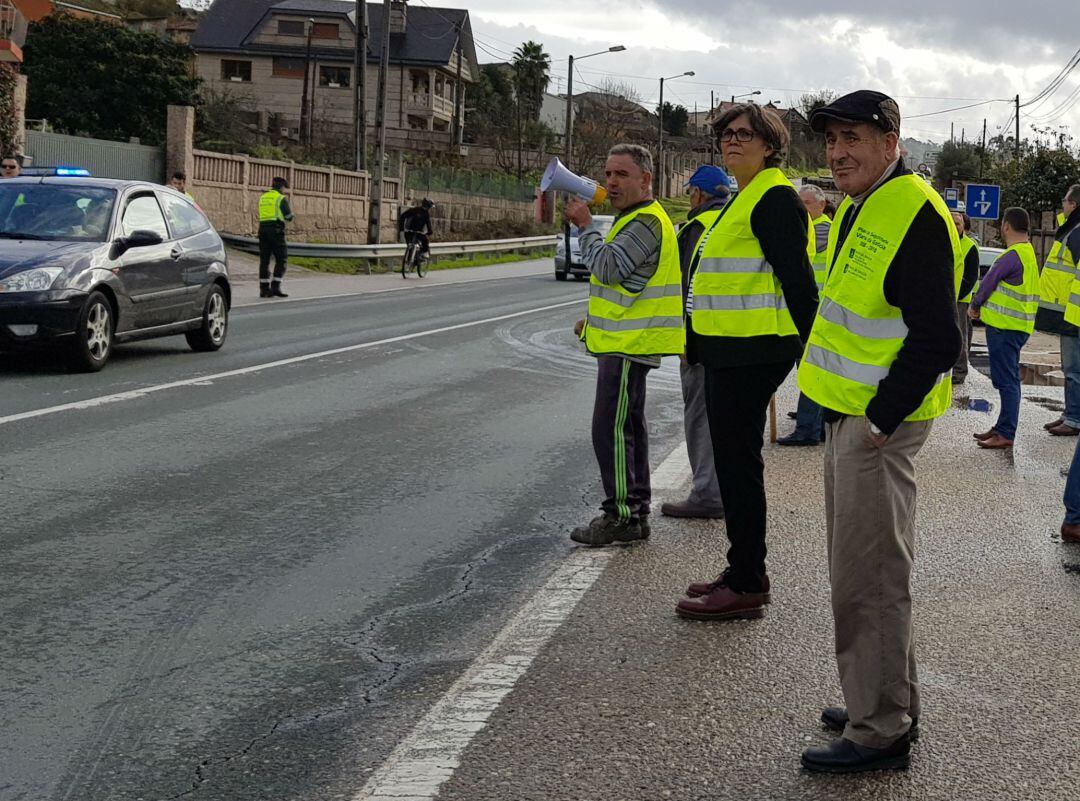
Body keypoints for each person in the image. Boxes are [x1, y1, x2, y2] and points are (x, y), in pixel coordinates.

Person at [797, 90, 962, 773]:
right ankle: (883, 696)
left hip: (875, 426)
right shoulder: (867, 204)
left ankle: (880, 727)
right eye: (832, 140)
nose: (838, 153)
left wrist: (880, 417)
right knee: (867, 571)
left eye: (854, 139)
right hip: (852, 415)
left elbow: (938, 337)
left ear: (891, 142)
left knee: (868, 579)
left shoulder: (912, 211)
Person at [674, 103, 818, 621]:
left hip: (754, 351)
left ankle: (748, 580)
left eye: (744, 134)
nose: (732, 141)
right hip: (729, 350)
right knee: (735, 465)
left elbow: (799, 283)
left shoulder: (774, 198)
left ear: (770, 144)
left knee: (738, 467)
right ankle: (741, 571)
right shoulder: (745, 196)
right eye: (727, 135)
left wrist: (813, 358)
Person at [566, 144, 684, 546]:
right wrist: (593, 321)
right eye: (608, 174)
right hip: (627, 340)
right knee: (627, 426)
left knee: (610, 428)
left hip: (630, 344)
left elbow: (608, 267)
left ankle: (620, 514)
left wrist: (585, 227)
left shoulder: (645, 222)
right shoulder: (634, 219)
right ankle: (635, 512)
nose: (611, 183)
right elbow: (629, 285)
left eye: (621, 174)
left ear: (645, 180)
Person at [661, 165, 731, 519]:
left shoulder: (696, 228)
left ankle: (708, 494)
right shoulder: (733, 223)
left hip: (700, 341)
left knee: (700, 419)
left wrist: (687, 341)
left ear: (699, 195)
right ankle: (725, 490)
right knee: (727, 421)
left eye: (691, 192)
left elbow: (685, 287)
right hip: (733, 338)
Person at [970, 207, 1040, 449]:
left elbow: (988, 281)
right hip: (1017, 327)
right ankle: (1001, 427)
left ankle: (1006, 432)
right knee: (1008, 379)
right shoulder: (1028, 253)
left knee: (1007, 381)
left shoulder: (1011, 256)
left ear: (1006, 226)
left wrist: (975, 305)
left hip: (1004, 327)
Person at [778, 184, 833, 446]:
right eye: (799, 203)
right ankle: (814, 421)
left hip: (817, 312)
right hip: (810, 310)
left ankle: (808, 428)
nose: (801, 208)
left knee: (811, 371)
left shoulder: (822, 230)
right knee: (810, 370)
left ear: (822, 206)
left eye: (807, 203)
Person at [1038, 186, 1080, 435]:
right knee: (1070, 368)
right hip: (1068, 311)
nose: (1061, 204)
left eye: (1064, 200)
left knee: (1074, 370)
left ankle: (1074, 418)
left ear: (1073, 204)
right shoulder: (1070, 229)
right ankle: (1069, 412)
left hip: (1073, 314)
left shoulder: (1076, 233)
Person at [952, 209, 980, 384]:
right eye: (952, 222)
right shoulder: (941, 241)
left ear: (964, 227)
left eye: (958, 223)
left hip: (960, 300)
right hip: (942, 297)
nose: (954, 227)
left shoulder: (969, 246)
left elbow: (970, 276)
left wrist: (956, 295)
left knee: (960, 335)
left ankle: (959, 371)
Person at [257, 176, 294, 298]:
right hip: (276, 231)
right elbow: (289, 217)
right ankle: (275, 286)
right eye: (284, 188)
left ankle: (264, 289)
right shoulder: (281, 198)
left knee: (264, 260)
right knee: (281, 259)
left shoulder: (263, 197)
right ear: (282, 187)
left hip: (262, 230)